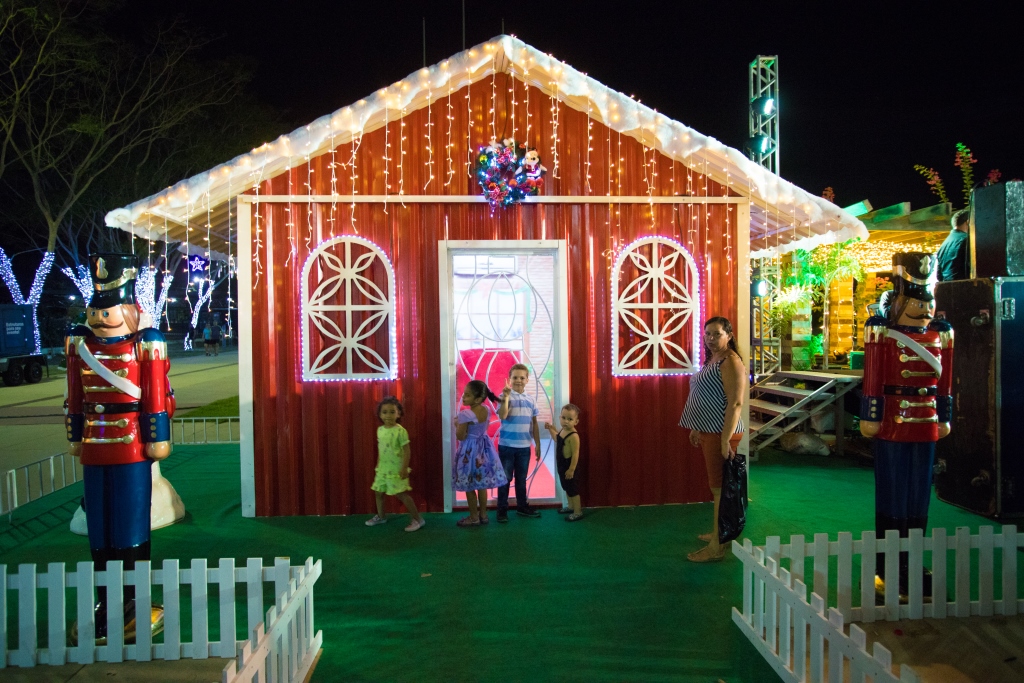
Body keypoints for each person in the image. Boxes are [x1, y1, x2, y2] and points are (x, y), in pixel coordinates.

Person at [65, 253, 172, 643]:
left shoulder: (146, 343)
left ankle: (133, 602)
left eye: (107, 310)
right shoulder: (80, 344)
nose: (98, 317)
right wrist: (75, 433)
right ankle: (105, 602)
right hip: (95, 444)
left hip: (129, 445)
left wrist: (158, 434)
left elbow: (156, 394)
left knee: (129, 523)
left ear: (127, 310)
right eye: (95, 310)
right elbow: (74, 393)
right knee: (100, 526)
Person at [860, 252, 953, 599]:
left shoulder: (941, 334)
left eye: (927, 303)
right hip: (895, 420)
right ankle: (888, 565)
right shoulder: (882, 333)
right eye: (916, 301)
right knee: (893, 492)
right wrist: (871, 413)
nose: (924, 310)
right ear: (899, 302)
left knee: (918, 494)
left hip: (925, 421)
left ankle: (913, 559)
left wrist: (944, 414)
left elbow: (945, 382)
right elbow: (873, 377)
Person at [678, 316, 747, 563]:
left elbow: (736, 403)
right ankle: (719, 533)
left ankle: (717, 546)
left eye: (716, 333)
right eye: (707, 334)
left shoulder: (730, 361)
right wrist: (697, 427)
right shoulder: (715, 359)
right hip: (710, 431)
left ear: (729, 334)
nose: (710, 338)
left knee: (720, 490)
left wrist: (724, 440)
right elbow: (709, 397)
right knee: (717, 487)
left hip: (721, 433)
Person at [453, 380, 508, 526]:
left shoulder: (465, 414)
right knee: (481, 483)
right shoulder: (487, 410)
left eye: (467, 395)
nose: (463, 397)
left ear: (477, 399)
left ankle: (473, 517)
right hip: (484, 449)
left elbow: (460, 436)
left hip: (469, 451)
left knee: (469, 485)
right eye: (464, 393)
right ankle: (483, 515)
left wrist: (457, 424)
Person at [365, 397, 425, 532]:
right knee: (378, 492)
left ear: (399, 414)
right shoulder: (380, 430)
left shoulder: (400, 431)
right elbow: (382, 450)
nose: (388, 415)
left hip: (396, 469)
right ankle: (381, 516)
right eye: (385, 412)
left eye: (392, 412)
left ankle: (418, 519)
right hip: (382, 469)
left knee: (401, 494)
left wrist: (404, 468)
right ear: (380, 414)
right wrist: (378, 466)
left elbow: (406, 450)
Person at [496, 363, 542, 523]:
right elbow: (502, 416)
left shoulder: (531, 400)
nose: (518, 380)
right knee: (505, 479)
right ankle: (502, 510)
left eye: (522, 377)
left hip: (524, 447)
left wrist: (538, 444)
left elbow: (534, 423)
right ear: (509, 379)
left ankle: (522, 507)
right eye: (515, 377)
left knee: (521, 479)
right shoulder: (503, 396)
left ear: (527, 380)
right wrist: (507, 397)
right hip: (507, 446)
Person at [543, 403, 584, 521]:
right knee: (566, 487)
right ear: (560, 418)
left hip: (569, 465)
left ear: (576, 422)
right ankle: (570, 507)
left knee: (573, 490)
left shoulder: (574, 436)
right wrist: (551, 428)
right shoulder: (562, 430)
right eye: (564, 418)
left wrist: (571, 469)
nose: (566, 421)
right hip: (562, 465)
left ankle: (577, 512)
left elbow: (576, 454)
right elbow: (557, 438)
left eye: (570, 419)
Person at [936, 208, 970, 282]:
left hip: (947, 288)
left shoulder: (943, 244)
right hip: (964, 288)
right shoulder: (967, 240)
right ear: (968, 222)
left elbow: (939, 275)